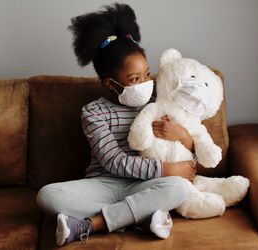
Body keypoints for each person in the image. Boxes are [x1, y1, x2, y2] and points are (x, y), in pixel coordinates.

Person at [36, 3, 197, 246]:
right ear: (110, 84)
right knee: (47, 196)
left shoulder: (157, 104)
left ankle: (91, 224)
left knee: (180, 188)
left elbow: (188, 153)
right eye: (134, 79)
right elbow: (114, 161)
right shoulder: (93, 112)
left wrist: (182, 135)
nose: (145, 83)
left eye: (146, 74)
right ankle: (140, 216)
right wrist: (164, 170)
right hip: (103, 185)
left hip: (145, 186)